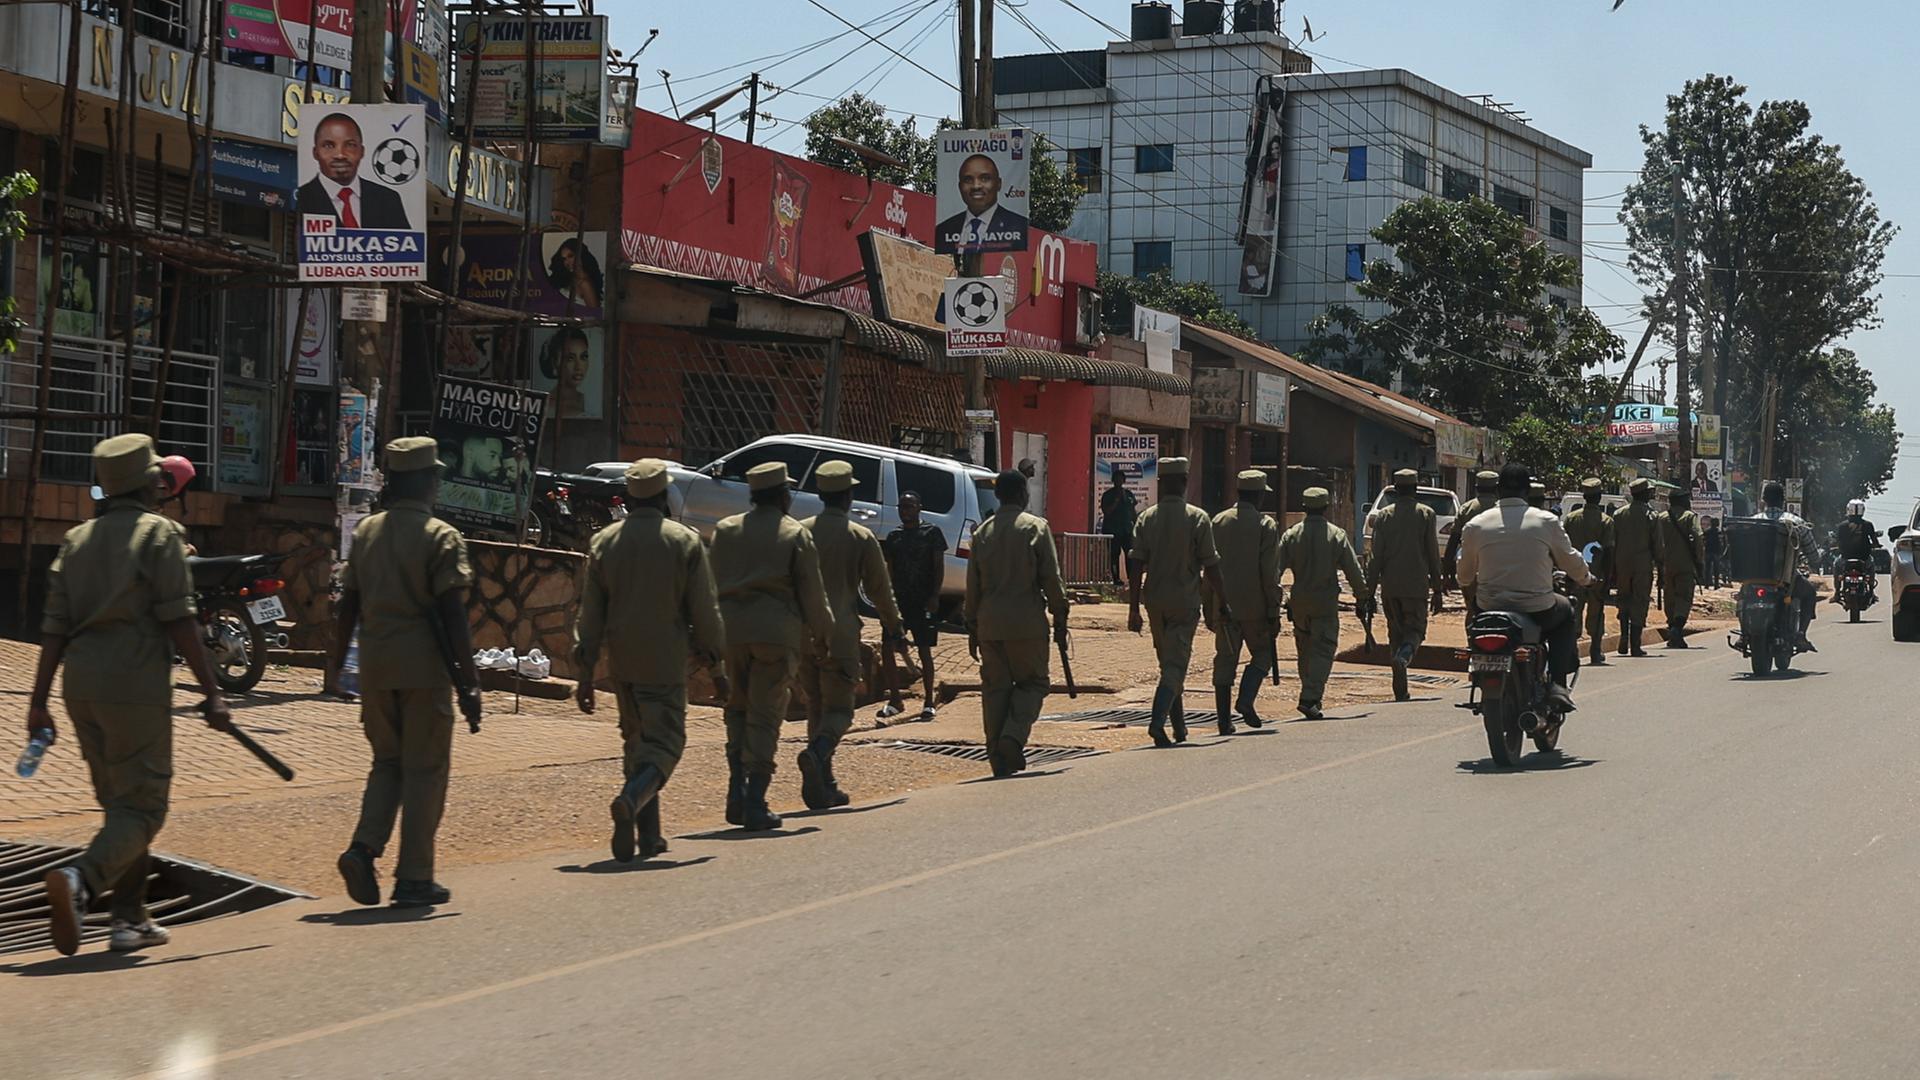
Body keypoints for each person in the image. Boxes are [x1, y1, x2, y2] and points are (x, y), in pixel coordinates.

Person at [35, 434, 231, 956]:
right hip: (133, 684)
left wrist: (38, 702)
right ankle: (80, 878)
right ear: (146, 482)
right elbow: (180, 619)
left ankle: (129, 918)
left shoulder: (76, 540)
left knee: (120, 806)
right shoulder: (159, 535)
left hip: (81, 687)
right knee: (144, 810)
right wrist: (212, 691)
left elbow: (54, 626)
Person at [331, 437, 482, 909]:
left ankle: (363, 847)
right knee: (425, 771)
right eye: (435, 476)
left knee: (388, 764)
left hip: (374, 669)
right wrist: (470, 681)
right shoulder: (441, 536)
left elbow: (348, 606)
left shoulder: (367, 533)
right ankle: (414, 877)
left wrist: (333, 667)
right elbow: (452, 615)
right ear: (424, 482)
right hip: (424, 671)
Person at [573, 459, 724, 863]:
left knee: (636, 744)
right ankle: (631, 797)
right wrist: (716, 663)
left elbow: (589, 616)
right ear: (663, 496)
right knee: (667, 743)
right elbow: (704, 611)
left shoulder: (605, 542)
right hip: (665, 659)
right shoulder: (684, 541)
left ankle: (649, 835)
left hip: (622, 661)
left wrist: (585, 673)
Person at [708, 461, 834, 831]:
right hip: (775, 635)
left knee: (737, 711)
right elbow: (813, 593)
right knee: (765, 715)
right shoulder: (794, 533)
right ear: (782, 496)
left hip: (730, 632)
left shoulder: (726, 530)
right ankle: (755, 800)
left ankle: (735, 789)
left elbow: (709, 584)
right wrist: (823, 637)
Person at [798, 461, 904, 810]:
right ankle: (818, 753)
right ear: (848, 497)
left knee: (816, 705)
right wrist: (895, 625)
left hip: (802, 632)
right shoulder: (860, 536)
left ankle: (823, 783)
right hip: (841, 633)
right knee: (840, 710)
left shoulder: (800, 532)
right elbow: (881, 590)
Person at [1457, 464, 1594, 712]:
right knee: (1566, 612)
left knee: (1475, 620)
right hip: (1537, 608)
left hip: (1489, 606)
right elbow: (1570, 559)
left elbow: (1464, 576)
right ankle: (1558, 685)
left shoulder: (1475, 524)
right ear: (1527, 491)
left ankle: (1479, 672)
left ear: (1498, 491)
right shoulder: (1546, 521)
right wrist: (1586, 578)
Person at [964, 469, 1070, 777]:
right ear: (1023, 494)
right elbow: (1051, 577)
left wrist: (971, 624)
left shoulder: (982, 533)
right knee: (1034, 683)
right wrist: (1060, 614)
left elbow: (973, 585)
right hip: (1027, 624)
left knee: (995, 689)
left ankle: (996, 750)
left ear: (997, 496)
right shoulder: (1035, 528)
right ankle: (1012, 737)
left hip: (990, 624)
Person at [1127, 457, 1224, 747]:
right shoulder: (1197, 518)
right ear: (1184, 483)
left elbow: (1135, 566)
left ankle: (1179, 727)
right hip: (1184, 602)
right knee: (1175, 665)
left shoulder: (1147, 518)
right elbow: (1212, 567)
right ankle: (1157, 723)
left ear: (1160, 484)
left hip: (1154, 601)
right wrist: (1223, 600)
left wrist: (1133, 607)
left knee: (1168, 663)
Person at [1278, 486, 1369, 721]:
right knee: (1323, 650)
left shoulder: (1291, 534)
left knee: (1305, 651)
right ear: (1326, 507)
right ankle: (1309, 698)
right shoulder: (1336, 535)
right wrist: (1362, 597)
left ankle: (1311, 694)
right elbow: (1353, 570)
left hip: (1298, 602)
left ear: (1305, 508)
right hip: (1325, 602)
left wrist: (1273, 599)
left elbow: (1274, 571)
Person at [1209, 470, 1283, 733]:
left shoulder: (1218, 521)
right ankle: (1246, 699)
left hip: (1224, 606)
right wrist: (1274, 609)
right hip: (1256, 608)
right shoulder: (1265, 526)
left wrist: (1209, 606)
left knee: (1225, 661)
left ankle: (1223, 720)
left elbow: (1208, 568)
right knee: (1263, 655)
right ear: (1259, 495)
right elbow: (1269, 573)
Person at [1364, 469, 1444, 702]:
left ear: (1396, 490)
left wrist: (1369, 591)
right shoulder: (1426, 514)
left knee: (1395, 635)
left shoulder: (1384, 516)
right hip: (1416, 586)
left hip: (1390, 586)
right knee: (1416, 631)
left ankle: (1400, 690)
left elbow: (1375, 556)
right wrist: (1437, 588)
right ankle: (1405, 657)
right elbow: (1432, 553)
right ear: (1416, 489)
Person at [881, 492, 948, 721]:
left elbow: (938, 567)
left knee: (924, 649)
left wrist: (935, 595)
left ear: (920, 507)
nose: (905, 510)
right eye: (902, 506)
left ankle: (929, 701)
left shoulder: (932, 533)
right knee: (888, 648)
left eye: (909, 506)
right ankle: (895, 700)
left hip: (922, 601)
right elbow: (888, 571)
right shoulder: (894, 537)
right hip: (899, 602)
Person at [296, 112, 412, 229]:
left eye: (350, 145)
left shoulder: (388, 199)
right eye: (329, 146)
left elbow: (407, 244)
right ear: (315, 153)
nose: (340, 155)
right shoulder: (300, 198)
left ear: (362, 151)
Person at [1754, 480, 1821, 648]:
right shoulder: (1796, 522)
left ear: (1764, 499)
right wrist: (1815, 562)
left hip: (1754, 576)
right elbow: (1812, 550)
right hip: (1786, 578)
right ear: (1783, 500)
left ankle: (1744, 633)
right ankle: (1801, 635)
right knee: (1810, 593)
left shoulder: (1753, 521)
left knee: (1744, 595)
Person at [1610, 477, 1667, 657]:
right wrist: (1661, 566)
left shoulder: (1619, 514)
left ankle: (1624, 636)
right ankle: (1635, 644)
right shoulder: (1651, 515)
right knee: (1639, 601)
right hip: (1642, 565)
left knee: (1623, 600)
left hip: (1621, 564)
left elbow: (1613, 541)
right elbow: (1658, 545)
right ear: (1644, 494)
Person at [1562, 478, 1616, 664]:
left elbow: (1564, 547)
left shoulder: (1571, 518)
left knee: (1573, 613)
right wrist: (1608, 578)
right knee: (1596, 613)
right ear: (1599, 497)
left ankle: (1570, 652)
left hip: (1574, 573)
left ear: (1584, 497)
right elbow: (1609, 551)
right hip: (1597, 575)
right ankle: (1595, 650)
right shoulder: (1606, 521)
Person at [935, 153, 1030, 252]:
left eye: (984, 178)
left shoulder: (1018, 227)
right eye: (968, 180)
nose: (976, 186)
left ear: (998, 184)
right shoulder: (943, 230)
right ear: (960, 186)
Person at [1445, 470, 1500, 611]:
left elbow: (1453, 540)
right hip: (1497, 569)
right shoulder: (1501, 508)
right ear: (1497, 488)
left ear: (1476, 488)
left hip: (1470, 567)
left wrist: (1446, 572)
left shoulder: (1466, 508)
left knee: (1471, 608)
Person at [1659, 488, 1706, 648]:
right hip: (1685, 565)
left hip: (1666, 565)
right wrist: (1700, 560)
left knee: (1669, 598)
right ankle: (1677, 629)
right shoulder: (1689, 517)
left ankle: (1672, 628)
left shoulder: (1662, 518)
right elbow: (1698, 537)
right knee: (1684, 598)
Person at [1830, 499, 1881, 602]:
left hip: (1845, 559)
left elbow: (1837, 541)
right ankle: (1871, 591)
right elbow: (1874, 540)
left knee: (1836, 566)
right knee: (1871, 568)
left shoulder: (1842, 526)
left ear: (1848, 510)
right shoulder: (1868, 525)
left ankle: (1837, 592)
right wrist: (1876, 545)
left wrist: (1836, 546)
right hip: (1864, 559)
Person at [540, 329, 594, 418]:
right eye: (570, 358)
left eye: (583, 357)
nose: (578, 367)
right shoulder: (545, 404)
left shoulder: (590, 401)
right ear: (555, 362)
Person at [1099, 466, 1138, 587]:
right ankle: (1116, 580)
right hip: (1112, 530)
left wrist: (1136, 525)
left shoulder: (1129, 494)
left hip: (1126, 530)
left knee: (1130, 555)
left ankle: (1131, 580)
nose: (1119, 481)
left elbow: (1132, 511)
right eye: (1116, 479)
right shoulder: (1108, 495)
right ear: (1113, 480)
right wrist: (1116, 501)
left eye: (1121, 479)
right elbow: (1107, 511)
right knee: (1114, 556)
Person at [545, 237, 604, 311]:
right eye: (564, 259)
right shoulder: (569, 278)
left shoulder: (585, 284)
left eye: (570, 256)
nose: (567, 262)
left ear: (581, 255)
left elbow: (594, 313)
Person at [1703, 517, 1725, 589]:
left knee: (1707, 569)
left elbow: (1703, 541)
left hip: (1708, 551)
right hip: (1716, 552)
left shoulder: (1707, 531)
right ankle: (1716, 585)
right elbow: (1721, 543)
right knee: (1716, 570)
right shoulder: (1719, 532)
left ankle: (1706, 584)